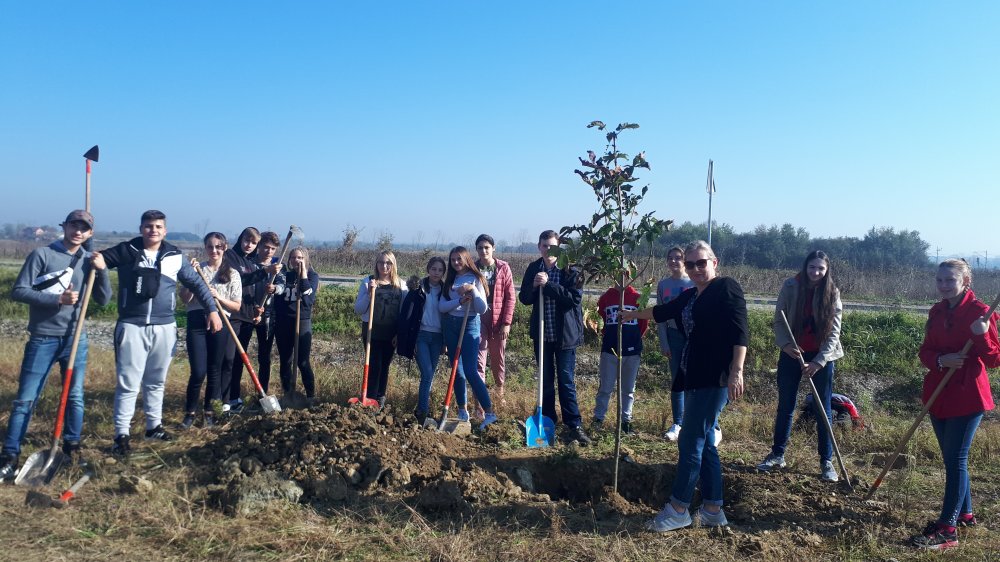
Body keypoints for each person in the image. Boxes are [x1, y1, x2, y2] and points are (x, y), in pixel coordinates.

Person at [622, 240, 747, 532]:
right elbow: (662, 312)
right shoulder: (691, 295)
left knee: (689, 440)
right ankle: (713, 508)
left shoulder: (726, 288)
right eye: (690, 264)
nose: (695, 269)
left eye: (701, 263)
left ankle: (678, 509)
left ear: (714, 262)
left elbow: (741, 332)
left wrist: (736, 371)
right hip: (693, 376)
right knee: (704, 442)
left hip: (715, 378)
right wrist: (632, 314)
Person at [98, 210, 221, 458]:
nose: (153, 230)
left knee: (156, 381)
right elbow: (98, 262)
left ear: (165, 231)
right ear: (141, 229)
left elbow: (197, 284)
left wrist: (212, 310)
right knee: (129, 383)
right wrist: (98, 263)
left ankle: (153, 428)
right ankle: (121, 435)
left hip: (165, 327)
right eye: (148, 226)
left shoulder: (174, 256)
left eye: (157, 227)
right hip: (131, 326)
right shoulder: (126, 251)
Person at [0, 210, 112, 480]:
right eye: (74, 225)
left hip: (76, 338)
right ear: (65, 226)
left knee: (75, 397)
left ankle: (72, 447)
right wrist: (57, 300)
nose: (78, 231)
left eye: (84, 228)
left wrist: (102, 270)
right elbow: (19, 291)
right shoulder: (42, 255)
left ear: (90, 233)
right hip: (43, 338)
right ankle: (10, 455)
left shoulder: (89, 260)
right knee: (26, 399)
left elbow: (105, 300)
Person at [909, 259, 1000, 550]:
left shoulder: (980, 312)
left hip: (967, 395)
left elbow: (994, 360)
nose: (944, 285)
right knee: (951, 459)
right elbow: (925, 351)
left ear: (965, 281)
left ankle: (947, 530)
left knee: (956, 459)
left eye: (950, 280)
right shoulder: (936, 311)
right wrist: (940, 360)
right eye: (940, 280)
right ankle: (965, 514)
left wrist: (981, 334)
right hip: (937, 393)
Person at [757, 250, 844, 482]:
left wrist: (818, 362)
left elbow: (834, 333)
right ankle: (777, 454)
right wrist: (786, 345)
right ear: (805, 267)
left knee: (823, 408)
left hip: (822, 356)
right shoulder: (790, 286)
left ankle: (826, 461)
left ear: (827, 270)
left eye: (821, 268)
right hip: (792, 351)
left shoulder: (832, 292)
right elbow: (779, 320)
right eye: (812, 267)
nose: (815, 272)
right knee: (786, 404)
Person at [518, 230, 590, 446]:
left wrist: (548, 285)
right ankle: (548, 420)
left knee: (566, 380)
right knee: (545, 380)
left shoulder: (571, 270)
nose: (548, 250)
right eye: (544, 246)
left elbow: (573, 299)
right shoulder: (534, 268)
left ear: (559, 247)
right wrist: (534, 286)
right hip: (542, 335)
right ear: (539, 247)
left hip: (565, 336)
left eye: (552, 246)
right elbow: (524, 298)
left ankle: (574, 425)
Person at [179, 233, 243, 429]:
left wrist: (218, 298)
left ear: (225, 248)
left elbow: (236, 306)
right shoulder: (197, 269)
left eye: (218, 247)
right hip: (197, 320)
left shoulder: (232, 274)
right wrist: (193, 279)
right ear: (205, 248)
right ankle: (190, 413)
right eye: (210, 247)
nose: (214, 251)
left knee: (215, 369)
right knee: (198, 371)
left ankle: (209, 413)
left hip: (220, 321)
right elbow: (185, 299)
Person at [439, 246, 497, 429]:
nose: (456, 262)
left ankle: (489, 413)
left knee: (471, 371)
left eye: (459, 259)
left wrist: (473, 290)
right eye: (453, 259)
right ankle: (462, 410)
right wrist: (459, 301)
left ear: (466, 259)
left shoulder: (475, 278)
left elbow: (482, 308)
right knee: (457, 370)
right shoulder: (450, 280)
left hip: (470, 323)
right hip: (451, 325)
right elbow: (442, 307)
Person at [228, 229, 283, 403]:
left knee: (264, 357)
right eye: (266, 247)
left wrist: (275, 289)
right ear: (259, 247)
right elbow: (243, 283)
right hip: (247, 314)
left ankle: (262, 394)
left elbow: (282, 285)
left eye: (272, 249)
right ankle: (233, 395)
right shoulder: (248, 262)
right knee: (239, 354)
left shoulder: (277, 265)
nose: (269, 251)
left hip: (267, 316)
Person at [353, 251, 406, 408]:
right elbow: (358, 309)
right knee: (374, 365)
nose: (384, 266)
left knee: (384, 366)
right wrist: (369, 294)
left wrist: (399, 333)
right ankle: (369, 398)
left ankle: (380, 398)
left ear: (393, 265)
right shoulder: (368, 282)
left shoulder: (401, 285)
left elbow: (403, 312)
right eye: (381, 262)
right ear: (376, 264)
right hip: (371, 331)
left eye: (388, 263)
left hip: (391, 333)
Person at [592, 284, 648, 434]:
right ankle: (598, 418)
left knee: (628, 389)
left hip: (632, 351)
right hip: (610, 349)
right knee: (605, 387)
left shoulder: (637, 298)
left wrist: (633, 340)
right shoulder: (606, 298)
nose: (622, 278)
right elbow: (602, 319)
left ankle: (626, 421)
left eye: (626, 274)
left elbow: (643, 324)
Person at [398, 257, 446, 423]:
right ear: (428, 269)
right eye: (433, 269)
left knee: (430, 375)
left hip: (438, 337)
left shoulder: (446, 290)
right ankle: (422, 412)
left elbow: (448, 315)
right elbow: (406, 314)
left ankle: (423, 411)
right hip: (421, 335)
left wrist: (445, 342)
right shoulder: (418, 288)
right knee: (427, 373)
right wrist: (409, 339)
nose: (436, 273)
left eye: (440, 270)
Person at [656, 245, 694, 441]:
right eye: (670, 258)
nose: (674, 261)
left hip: (693, 336)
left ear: (685, 260)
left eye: (678, 257)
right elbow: (660, 316)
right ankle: (678, 422)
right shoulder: (663, 285)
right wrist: (664, 342)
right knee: (677, 380)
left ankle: (694, 421)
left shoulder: (693, 282)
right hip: (673, 336)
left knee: (695, 379)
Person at [474, 234, 516, 410]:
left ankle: (500, 393)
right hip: (478, 318)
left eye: (487, 247)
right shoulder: (473, 268)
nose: (483, 251)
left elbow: (510, 297)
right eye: (480, 248)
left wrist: (506, 323)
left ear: (493, 248)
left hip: (498, 319)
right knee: (479, 360)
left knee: (498, 358)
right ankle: (479, 402)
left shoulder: (503, 268)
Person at [275, 246, 320, 401]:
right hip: (284, 321)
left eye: (300, 258)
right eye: (293, 258)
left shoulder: (313, 276)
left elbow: (308, 299)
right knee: (285, 360)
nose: (296, 261)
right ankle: (288, 395)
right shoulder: (285, 276)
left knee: (302, 361)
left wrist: (303, 275)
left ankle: (310, 396)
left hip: (302, 321)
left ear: (305, 259)